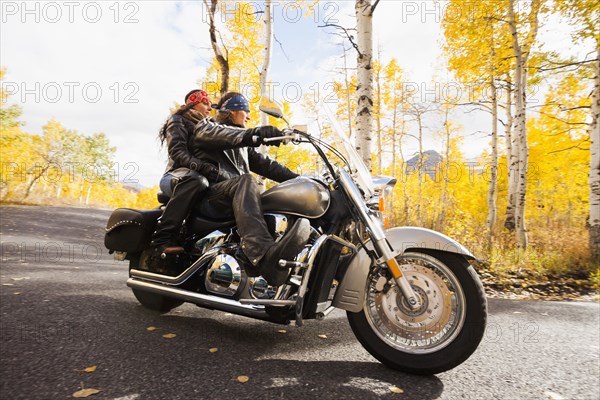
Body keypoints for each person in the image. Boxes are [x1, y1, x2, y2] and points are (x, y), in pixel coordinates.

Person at [192, 92, 310, 286]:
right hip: (212, 196)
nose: (248, 115)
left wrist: (302, 180)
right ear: (230, 111)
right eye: (244, 110)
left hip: (233, 196)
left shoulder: (243, 146)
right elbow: (221, 135)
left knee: (277, 199)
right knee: (246, 180)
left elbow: (268, 166)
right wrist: (255, 133)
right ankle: (262, 255)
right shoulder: (211, 128)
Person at [151, 89, 220, 254]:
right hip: (175, 176)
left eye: (211, 105)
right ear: (192, 104)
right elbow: (177, 152)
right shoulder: (178, 120)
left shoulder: (209, 126)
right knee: (196, 180)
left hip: (200, 178)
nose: (209, 108)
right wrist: (201, 166)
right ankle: (162, 237)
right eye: (205, 103)